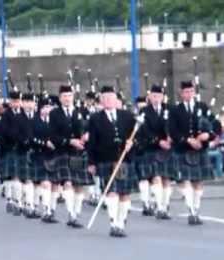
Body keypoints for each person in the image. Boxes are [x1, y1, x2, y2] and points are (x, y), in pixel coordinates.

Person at [87, 86, 138, 237]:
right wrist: (91, 162)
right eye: (105, 98)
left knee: (124, 193)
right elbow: (92, 143)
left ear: (116, 100)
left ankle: (121, 223)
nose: (108, 101)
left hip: (124, 160)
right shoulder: (95, 119)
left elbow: (136, 136)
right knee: (111, 192)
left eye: (111, 98)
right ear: (101, 101)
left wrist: (132, 143)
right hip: (105, 160)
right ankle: (113, 223)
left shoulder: (127, 116)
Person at [169, 80, 217, 225]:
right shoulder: (175, 110)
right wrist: (188, 140)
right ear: (181, 93)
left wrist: (208, 135)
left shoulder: (202, 107)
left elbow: (215, 124)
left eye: (191, 91)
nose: (189, 94)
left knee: (198, 182)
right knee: (185, 181)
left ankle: (196, 209)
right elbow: (172, 130)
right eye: (186, 92)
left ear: (194, 92)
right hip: (183, 149)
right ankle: (191, 210)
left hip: (200, 150)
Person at [50, 85, 93, 228]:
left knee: (79, 185)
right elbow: (53, 135)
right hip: (63, 152)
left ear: (73, 97)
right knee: (67, 183)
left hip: (79, 152)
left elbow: (89, 128)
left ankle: (77, 211)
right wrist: (69, 141)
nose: (67, 99)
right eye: (64, 96)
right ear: (60, 98)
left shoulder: (80, 111)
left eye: (69, 96)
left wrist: (86, 136)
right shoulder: (54, 114)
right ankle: (71, 215)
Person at [136, 85, 175, 219]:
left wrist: (171, 137)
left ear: (162, 97)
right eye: (154, 96)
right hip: (150, 148)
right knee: (156, 177)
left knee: (167, 179)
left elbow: (174, 126)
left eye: (159, 96)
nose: (156, 98)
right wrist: (159, 141)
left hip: (167, 149)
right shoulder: (144, 112)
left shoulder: (169, 110)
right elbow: (144, 130)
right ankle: (159, 207)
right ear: (149, 97)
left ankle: (165, 205)